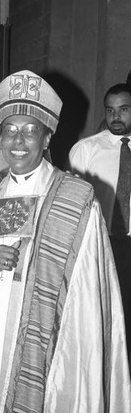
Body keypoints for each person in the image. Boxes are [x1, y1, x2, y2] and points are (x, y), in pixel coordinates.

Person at [0, 70, 131, 413]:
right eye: (9, 130)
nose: (18, 141)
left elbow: (87, 292)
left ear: (47, 136)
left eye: (30, 130)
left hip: (49, 339)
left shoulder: (75, 197)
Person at [68, 82, 131, 360]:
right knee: (104, 323)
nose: (116, 117)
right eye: (110, 110)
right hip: (103, 246)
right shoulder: (86, 150)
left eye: (124, 109)